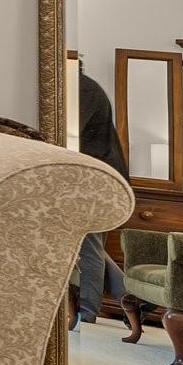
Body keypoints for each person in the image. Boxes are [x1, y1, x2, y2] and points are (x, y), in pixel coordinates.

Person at [73, 72, 127, 322]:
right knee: (85, 240)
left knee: (87, 244)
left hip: (98, 179)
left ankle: (87, 313)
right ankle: (131, 296)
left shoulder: (82, 89)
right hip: (93, 175)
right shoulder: (85, 86)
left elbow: (68, 132)